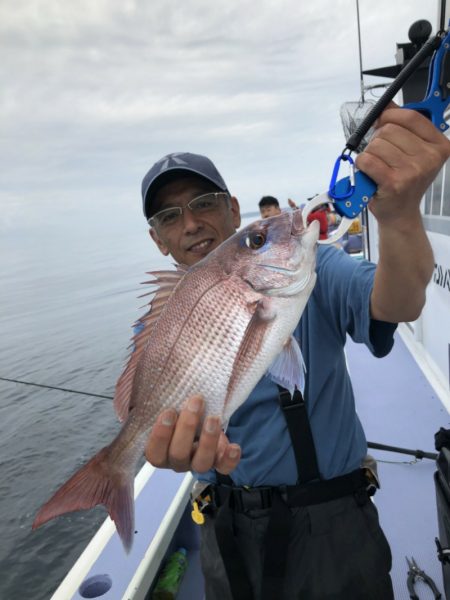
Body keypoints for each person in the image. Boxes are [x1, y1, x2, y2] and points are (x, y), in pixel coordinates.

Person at [140, 106, 450, 599]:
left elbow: (400, 301)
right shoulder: (159, 326)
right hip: (223, 529)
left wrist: (399, 216)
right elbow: (159, 415)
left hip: (331, 525)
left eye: (204, 202)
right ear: (158, 240)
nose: (192, 223)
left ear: (232, 207)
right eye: (170, 216)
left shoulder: (309, 266)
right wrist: (167, 449)